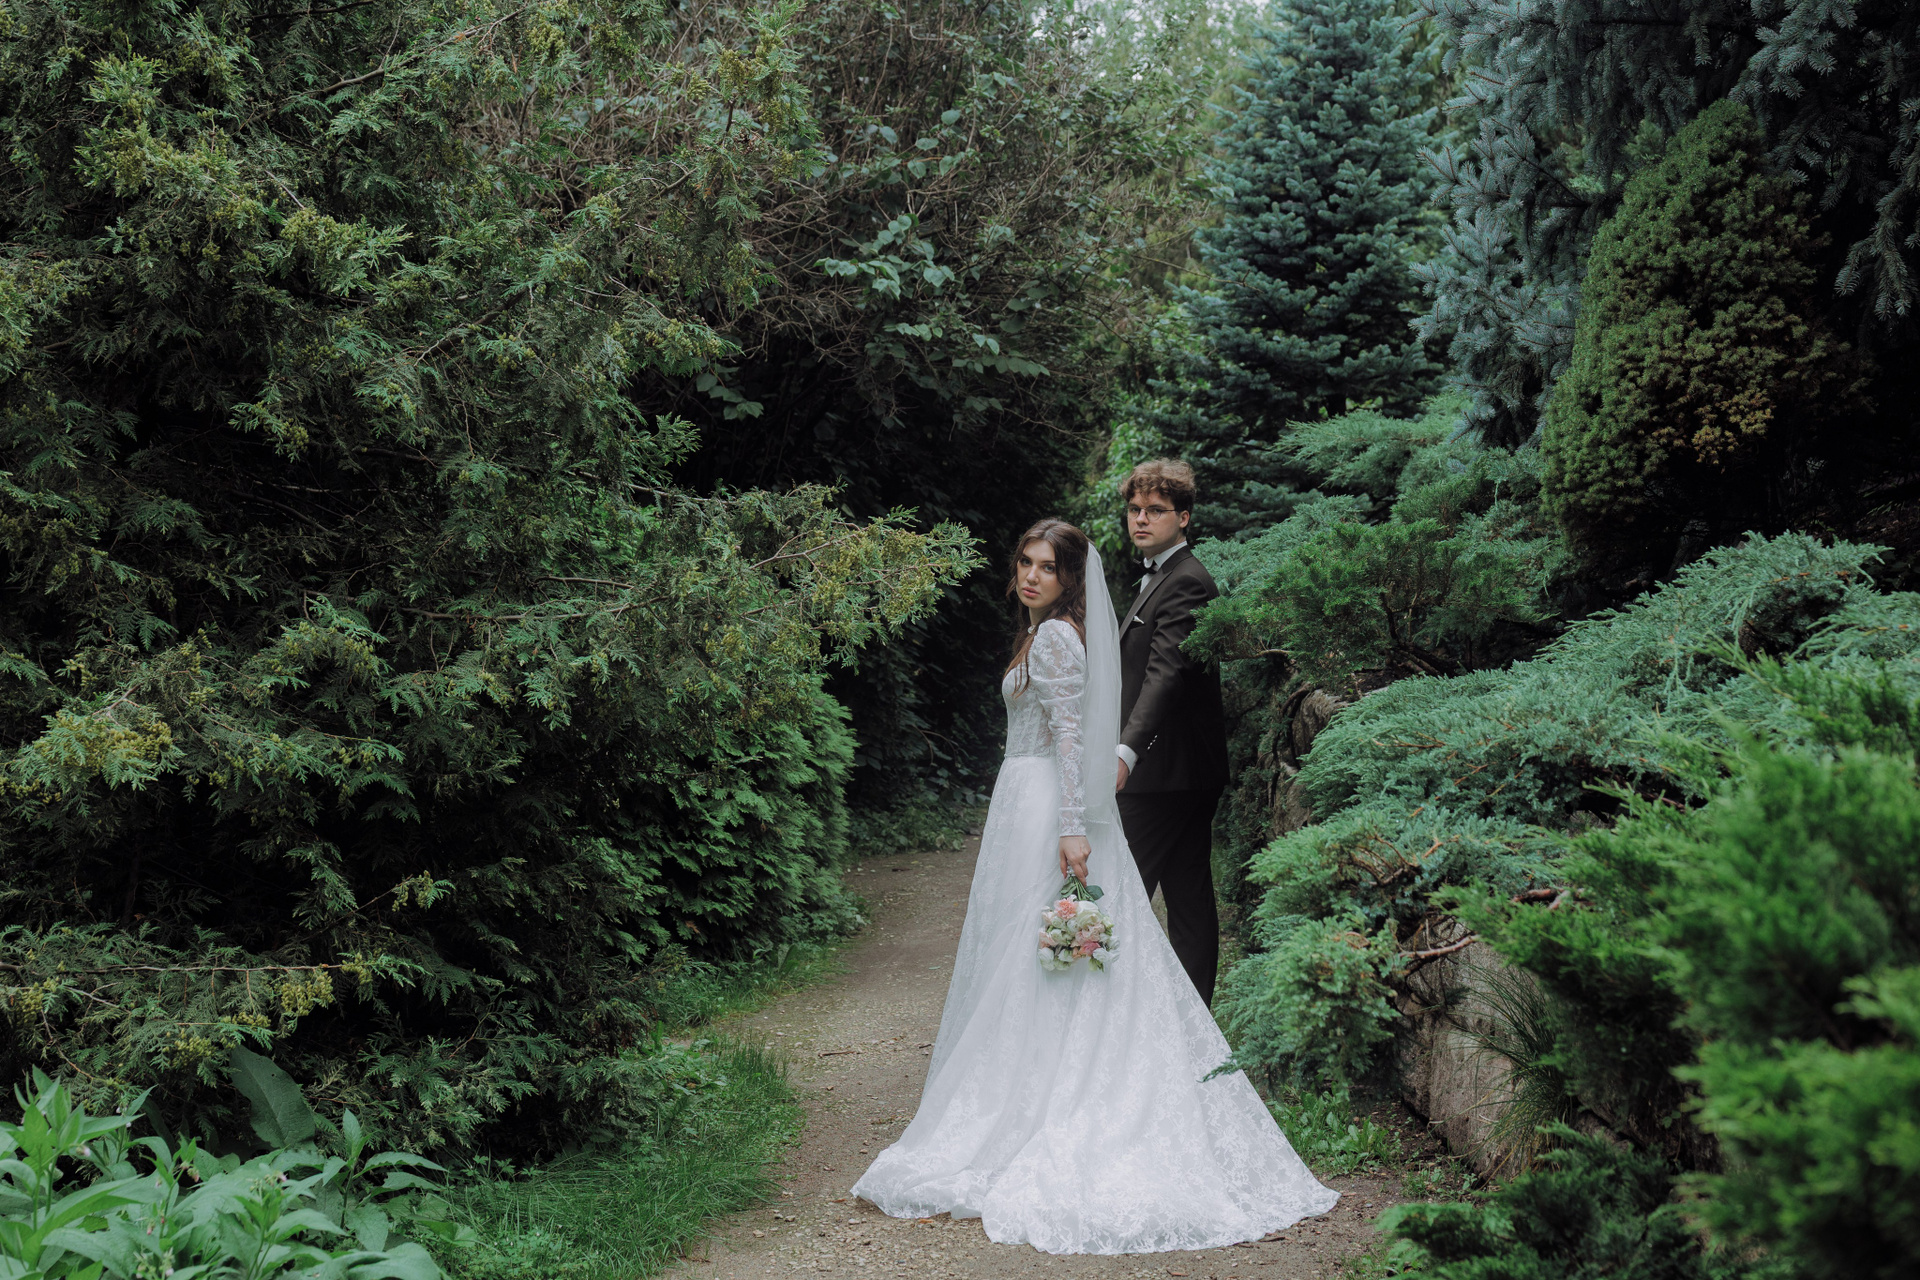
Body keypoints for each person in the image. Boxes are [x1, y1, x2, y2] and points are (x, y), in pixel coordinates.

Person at [851, 518, 1336, 1255]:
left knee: (1039, 954)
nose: (1031, 575)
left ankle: (1044, 1103)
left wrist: (1073, 828)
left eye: (1047, 566)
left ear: (1071, 578)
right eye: (1025, 561)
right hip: (1029, 801)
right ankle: (1034, 1087)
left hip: (1048, 807)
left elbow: (1073, 737)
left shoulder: (1054, 638)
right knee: (1037, 959)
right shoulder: (1044, 631)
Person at [1113, 459, 1229, 1005]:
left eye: (1155, 510)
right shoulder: (1162, 575)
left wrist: (1126, 751)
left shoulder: (1186, 581)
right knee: (1187, 897)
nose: (1141, 519)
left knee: (1119, 894)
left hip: (1165, 773)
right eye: (1135, 509)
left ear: (1183, 517)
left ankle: (1119, 1016)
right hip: (1181, 772)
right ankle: (1192, 1022)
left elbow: (1165, 675)